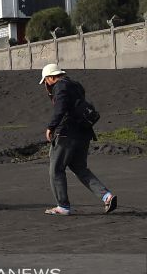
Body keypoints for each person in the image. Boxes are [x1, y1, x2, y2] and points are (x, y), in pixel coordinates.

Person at [39, 63, 116, 215]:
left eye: (46, 81)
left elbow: (60, 108)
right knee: (80, 168)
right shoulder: (76, 85)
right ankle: (107, 196)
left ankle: (63, 206)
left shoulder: (60, 87)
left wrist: (51, 127)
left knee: (56, 169)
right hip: (84, 133)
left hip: (67, 134)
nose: (46, 84)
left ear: (51, 77)